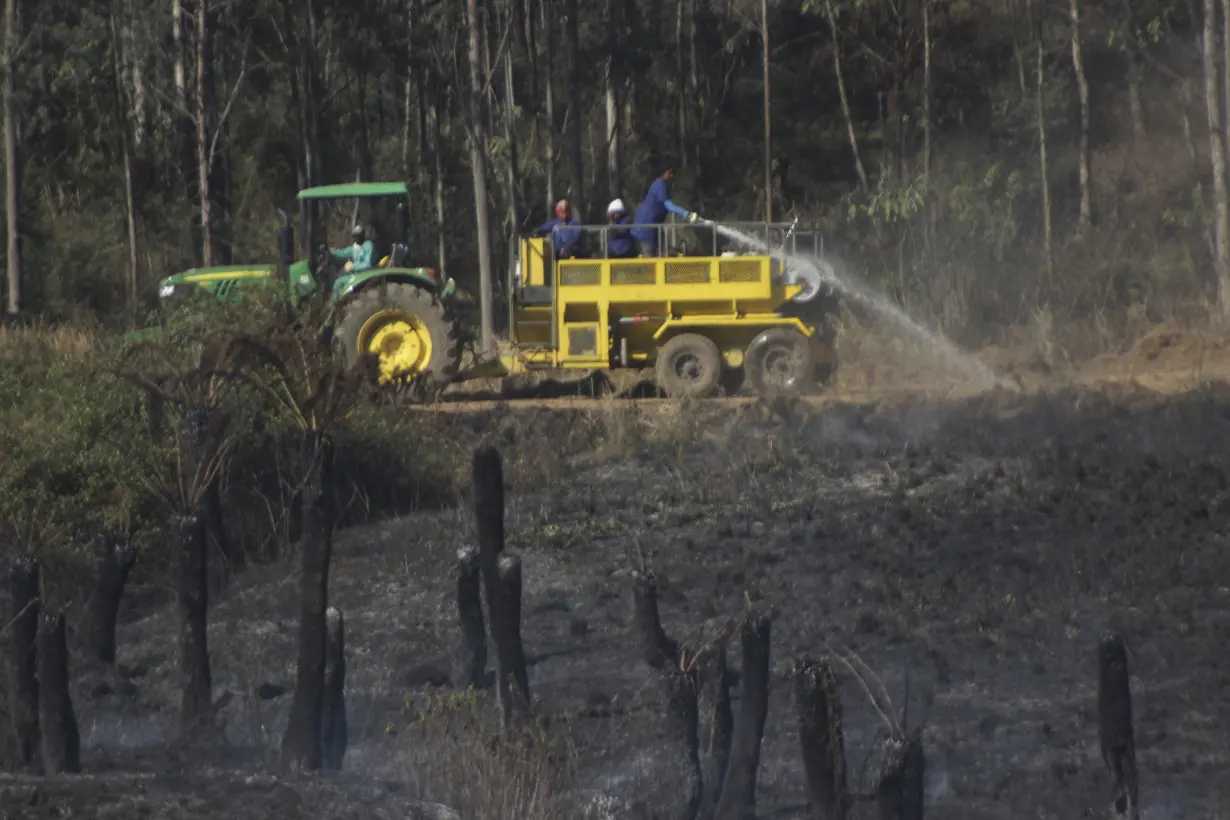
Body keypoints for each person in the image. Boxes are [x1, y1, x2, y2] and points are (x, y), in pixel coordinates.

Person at [631, 164, 699, 257]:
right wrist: (687, 214)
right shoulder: (660, 184)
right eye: (672, 173)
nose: (672, 177)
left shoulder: (662, 185)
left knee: (661, 253)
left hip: (653, 226)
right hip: (645, 227)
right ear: (667, 172)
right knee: (650, 258)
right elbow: (669, 206)